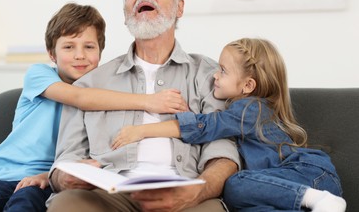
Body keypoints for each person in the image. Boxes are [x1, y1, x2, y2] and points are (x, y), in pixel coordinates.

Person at [47, 0, 240, 212]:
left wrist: (197, 191)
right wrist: (64, 177)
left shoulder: (209, 75)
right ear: (126, 12)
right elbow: (66, 159)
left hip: (186, 192)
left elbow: (224, 152)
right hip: (108, 195)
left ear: (179, 7)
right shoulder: (90, 84)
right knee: (67, 205)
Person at [0, 2, 188, 212]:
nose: (80, 55)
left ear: (100, 53)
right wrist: (149, 101)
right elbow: (80, 96)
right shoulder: (40, 74)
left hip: (46, 183)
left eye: (89, 46)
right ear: (52, 54)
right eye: (69, 46)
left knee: (25, 204)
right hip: (4, 176)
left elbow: (92, 158)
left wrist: (49, 176)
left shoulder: (105, 96)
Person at [112, 38, 347, 211]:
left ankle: (319, 200)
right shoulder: (245, 112)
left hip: (308, 174)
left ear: (247, 86)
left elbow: (202, 127)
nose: (215, 75)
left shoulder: (249, 108)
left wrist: (140, 131)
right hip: (293, 183)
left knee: (235, 185)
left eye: (223, 71)